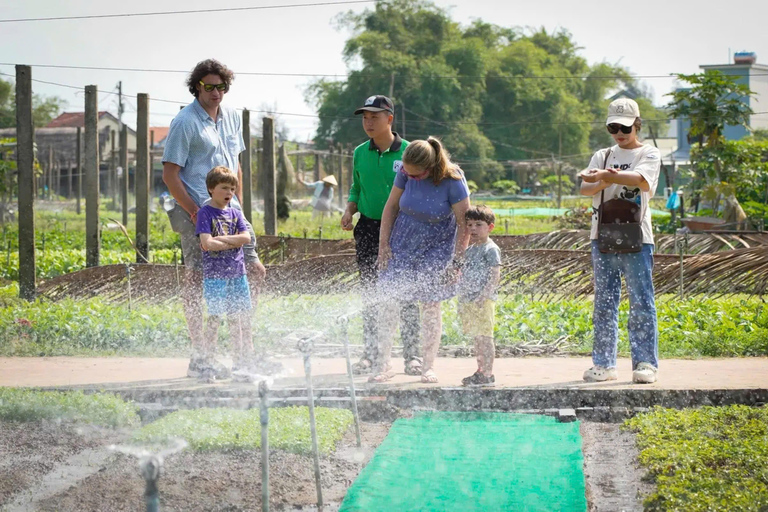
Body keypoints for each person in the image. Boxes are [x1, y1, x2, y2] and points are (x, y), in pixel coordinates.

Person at [162, 58, 267, 380]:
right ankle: (201, 356)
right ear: (196, 87)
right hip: (195, 210)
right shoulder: (185, 122)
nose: (216, 92)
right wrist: (196, 212)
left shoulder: (232, 117)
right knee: (198, 280)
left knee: (254, 271)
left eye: (221, 87)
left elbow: (235, 167)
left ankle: (243, 352)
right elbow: (170, 174)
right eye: (209, 87)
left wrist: (239, 209)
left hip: (230, 210)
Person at [370, 137, 471, 384]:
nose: (409, 176)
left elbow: (463, 224)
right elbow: (390, 207)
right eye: (406, 172)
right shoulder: (405, 173)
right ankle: (383, 364)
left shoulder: (453, 180)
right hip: (403, 242)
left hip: (437, 247)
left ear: (431, 168)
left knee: (430, 305)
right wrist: (383, 246)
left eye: (415, 175)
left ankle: (428, 366)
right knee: (389, 301)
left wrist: (456, 262)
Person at [578, 98, 661, 384]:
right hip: (602, 235)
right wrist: (603, 179)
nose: (619, 133)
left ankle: (646, 363)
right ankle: (604, 364)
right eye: (613, 127)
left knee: (641, 301)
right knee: (604, 301)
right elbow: (585, 188)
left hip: (638, 238)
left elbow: (641, 180)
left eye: (625, 127)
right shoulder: (602, 155)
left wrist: (607, 177)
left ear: (637, 124)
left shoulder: (649, 154)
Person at [340, 95, 422, 376]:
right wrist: (349, 210)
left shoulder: (410, 152)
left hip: (403, 229)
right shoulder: (360, 151)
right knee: (371, 292)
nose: (368, 122)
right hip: (368, 228)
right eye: (365, 117)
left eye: (374, 117)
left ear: (389, 119)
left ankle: (412, 356)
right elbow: (356, 187)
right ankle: (371, 354)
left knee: (407, 292)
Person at [195, 167, 256, 382]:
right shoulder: (205, 213)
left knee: (236, 319)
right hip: (215, 277)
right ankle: (207, 363)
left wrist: (220, 241)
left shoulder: (236, 213)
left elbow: (246, 238)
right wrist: (232, 239)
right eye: (224, 188)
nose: (229, 192)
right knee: (214, 319)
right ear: (212, 189)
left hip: (238, 274)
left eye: (232, 188)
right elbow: (206, 243)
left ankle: (239, 363)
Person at [458, 205, 501, 387]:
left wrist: (484, 295)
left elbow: (495, 274)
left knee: (485, 337)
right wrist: (461, 299)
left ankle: (488, 374)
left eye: (478, 224)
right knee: (477, 337)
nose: (473, 229)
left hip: (483, 301)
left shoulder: (490, 249)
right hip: (469, 299)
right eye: (469, 225)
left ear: (490, 227)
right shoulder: (469, 250)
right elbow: (463, 275)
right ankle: (480, 370)